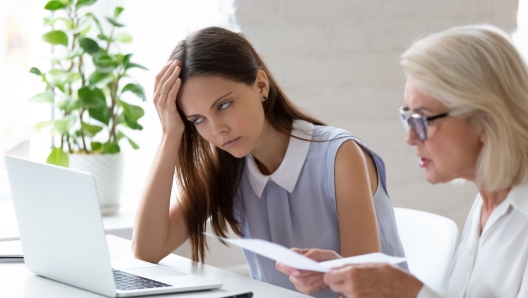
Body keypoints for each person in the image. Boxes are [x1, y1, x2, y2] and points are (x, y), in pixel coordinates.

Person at [131, 27, 406, 297]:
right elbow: (147, 251)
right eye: (198, 119)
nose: (217, 130)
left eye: (224, 105)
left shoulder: (340, 156)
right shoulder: (225, 167)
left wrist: (334, 277)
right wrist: (170, 134)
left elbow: (368, 292)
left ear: (261, 86)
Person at [279, 24, 528, 297]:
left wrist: (407, 291)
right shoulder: (487, 202)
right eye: (407, 118)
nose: (410, 138)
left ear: (485, 120)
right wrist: (352, 274)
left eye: (421, 119)